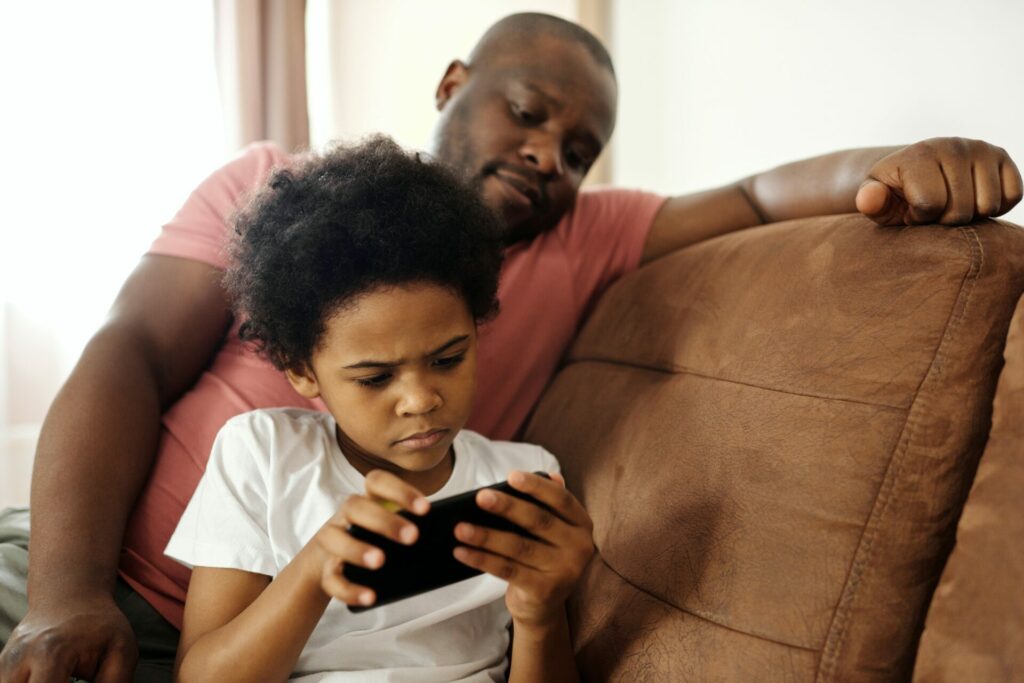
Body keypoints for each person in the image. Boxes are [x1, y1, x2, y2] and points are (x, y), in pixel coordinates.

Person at [0, 11, 1021, 683]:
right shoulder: (274, 191)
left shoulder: (580, 239)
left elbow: (755, 197)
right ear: (453, 83)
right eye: (527, 114)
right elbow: (125, 352)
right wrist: (65, 589)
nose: (548, 154)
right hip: (111, 569)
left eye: (579, 151)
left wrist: (895, 164)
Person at [168, 135, 592, 682]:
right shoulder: (263, 453)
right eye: (374, 377)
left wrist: (540, 616)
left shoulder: (522, 478)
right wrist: (317, 565)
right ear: (302, 369)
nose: (420, 400)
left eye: (448, 359)